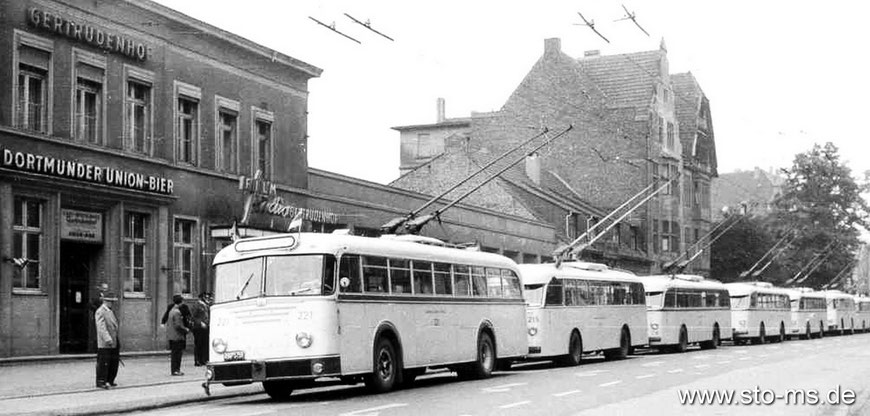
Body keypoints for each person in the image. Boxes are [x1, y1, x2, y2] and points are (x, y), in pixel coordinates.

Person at [94, 291, 120, 389]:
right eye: (111, 301)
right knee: (103, 362)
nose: (112, 303)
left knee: (113, 362)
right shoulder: (101, 311)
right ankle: (101, 381)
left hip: (113, 341)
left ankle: (110, 380)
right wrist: (108, 339)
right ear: (106, 301)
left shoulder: (109, 311)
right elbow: (101, 327)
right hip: (105, 343)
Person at [167, 294, 190, 376]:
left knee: (174, 354)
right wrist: (185, 330)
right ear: (180, 302)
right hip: (177, 336)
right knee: (177, 355)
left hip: (172, 335)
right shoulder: (177, 312)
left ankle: (174, 370)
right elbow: (178, 325)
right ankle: (176, 370)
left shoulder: (172, 310)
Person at [189, 292, 210, 366]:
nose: (207, 299)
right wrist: (200, 323)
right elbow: (193, 316)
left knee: (204, 344)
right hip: (198, 327)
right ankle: (197, 360)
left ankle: (203, 359)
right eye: (206, 297)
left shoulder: (206, 305)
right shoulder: (197, 305)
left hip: (206, 327)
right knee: (198, 344)